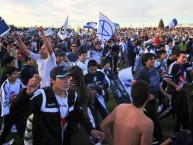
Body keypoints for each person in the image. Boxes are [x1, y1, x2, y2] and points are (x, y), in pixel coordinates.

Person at [23, 66, 105, 145]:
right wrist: (27, 93)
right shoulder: (42, 96)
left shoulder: (72, 95)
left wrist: (91, 130)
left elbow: (79, 114)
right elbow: (20, 111)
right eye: (62, 78)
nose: (67, 81)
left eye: (68, 77)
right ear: (52, 80)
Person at [100, 80, 153, 145]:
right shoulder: (147, 123)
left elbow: (103, 126)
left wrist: (111, 142)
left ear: (131, 94)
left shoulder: (120, 108)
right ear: (149, 97)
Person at [164, 51, 190, 132]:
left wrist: (182, 83)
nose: (184, 59)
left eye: (185, 57)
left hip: (180, 91)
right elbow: (166, 78)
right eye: (183, 57)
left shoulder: (181, 65)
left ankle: (181, 128)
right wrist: (176, 86)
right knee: (171, 109)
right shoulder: (173, 65)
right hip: (173, 91)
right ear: (177, 57)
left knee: (183, 110)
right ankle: (154, 120)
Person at [69, 66, 95, 145]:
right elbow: (91, 103)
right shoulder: (87, 89)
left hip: (71, 122)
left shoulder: (66, 90)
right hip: (85, 121)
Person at [0, 66, 25, 144]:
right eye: (14, 74)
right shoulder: (5, 86)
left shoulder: (18, 81)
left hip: (19, 109)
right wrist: (14, 98)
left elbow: (24, 89)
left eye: (16, 73)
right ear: (8, 75)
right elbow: (5, 101)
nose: (16, 75)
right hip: (9, 111)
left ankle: (26, 142)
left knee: (21, 128)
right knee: (6, 129)